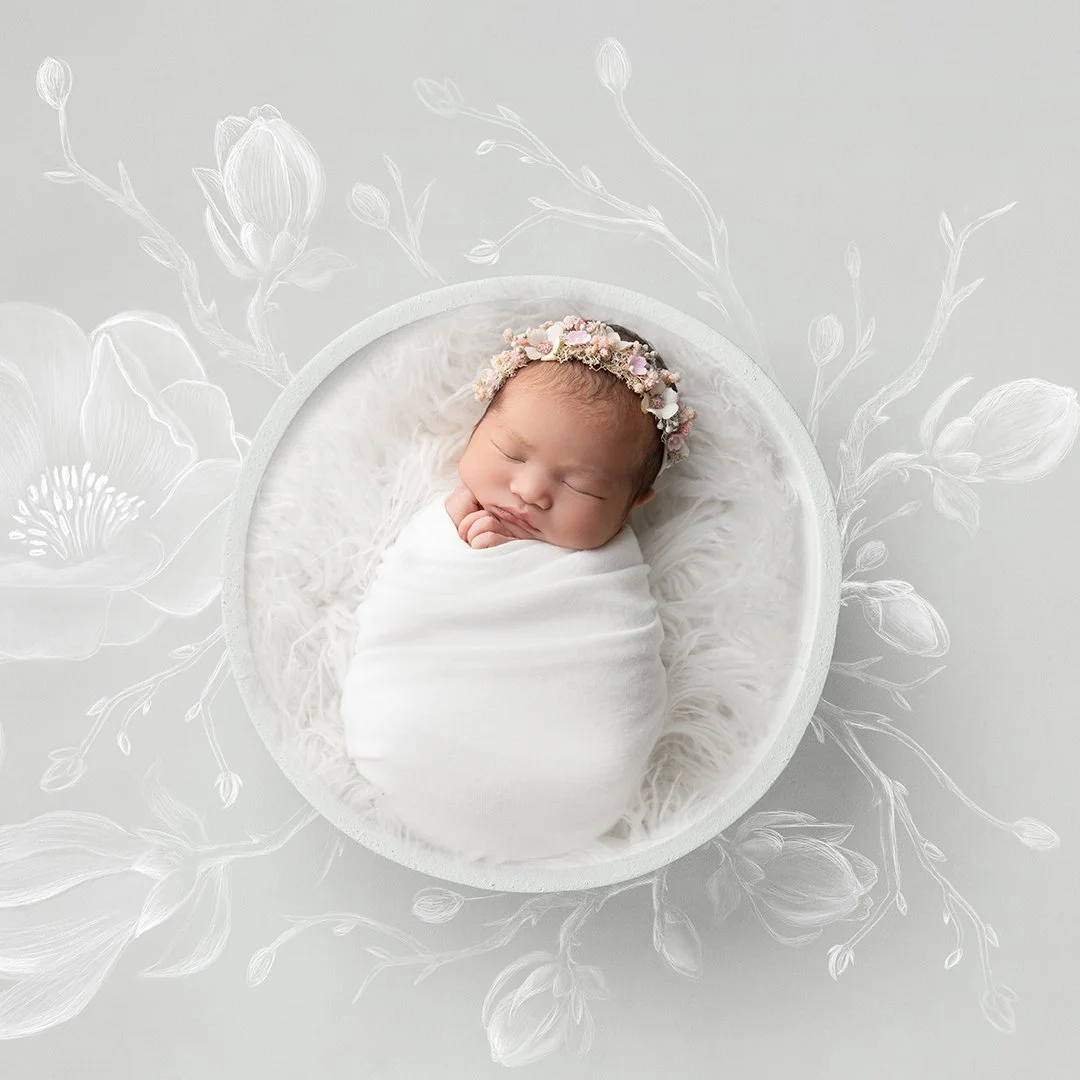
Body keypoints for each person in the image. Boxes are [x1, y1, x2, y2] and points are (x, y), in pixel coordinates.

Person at [445, 316, 694, 550]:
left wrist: (507, 567)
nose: (530, 492)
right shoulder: (440, 514)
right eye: (510, 454)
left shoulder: (605, 569)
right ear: (476, 429)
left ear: (633, 503)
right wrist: (445, 531)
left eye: (580, 487)